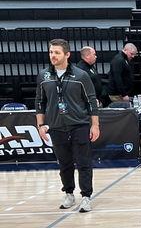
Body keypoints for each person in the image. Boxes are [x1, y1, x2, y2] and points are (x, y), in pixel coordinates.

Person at [35, 39, 100, 212]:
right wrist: (41, 125)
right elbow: (40, 102)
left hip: (79, 125)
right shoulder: (43, 76)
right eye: (51, 52)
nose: (53, 56)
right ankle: (69, 194)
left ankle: (86, 196)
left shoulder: (81, 75)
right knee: (64, 164)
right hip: (56, 127)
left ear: (67, 54)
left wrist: (95, 125)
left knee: (83, 162)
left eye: (56, 52)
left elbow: (91, 102)